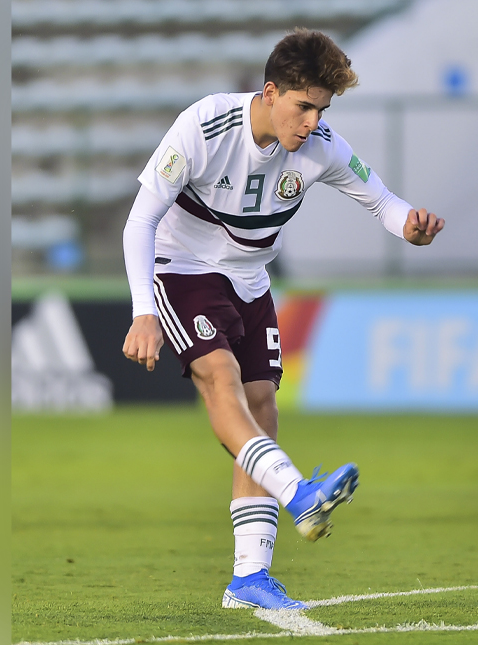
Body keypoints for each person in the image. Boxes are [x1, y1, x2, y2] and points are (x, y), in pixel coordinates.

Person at [120, 29, 444, 611]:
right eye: (303, 106)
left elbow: (383, 202)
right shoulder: (204, 127)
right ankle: (299, 494)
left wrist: (411, 226)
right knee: (218, 378)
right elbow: (140, 221)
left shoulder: (322, 145)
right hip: (183, 269)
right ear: (270, 93)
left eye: (322, 108)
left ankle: (249, 578)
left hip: (251, 279)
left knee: (263, 404)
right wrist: (144, 312)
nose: (312, 121)